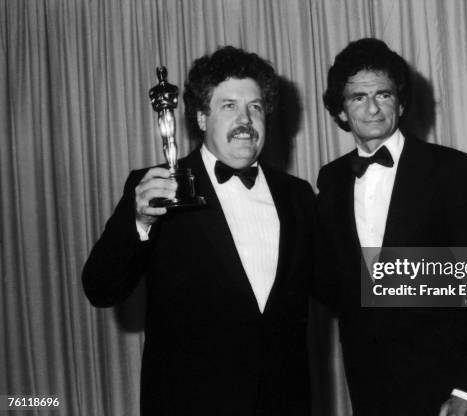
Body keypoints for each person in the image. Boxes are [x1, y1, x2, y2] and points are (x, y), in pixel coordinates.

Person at [82, 46, 314, 415]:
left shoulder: (298, 196)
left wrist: (434, 275)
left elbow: (340, 283)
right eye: (229, 106)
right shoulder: (158, 188)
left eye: (255, 107)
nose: (246, 120)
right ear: (202, 117)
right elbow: (100, 287)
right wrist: (139, 221)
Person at [314, 38, 467, 415]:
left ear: (400, 103)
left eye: (383, 94)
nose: (371, 108)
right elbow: (331, 282)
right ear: (340, 110)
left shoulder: (452, 170)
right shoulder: (332, 179)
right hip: (368, 382)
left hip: (444, 384)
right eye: (357, 97)